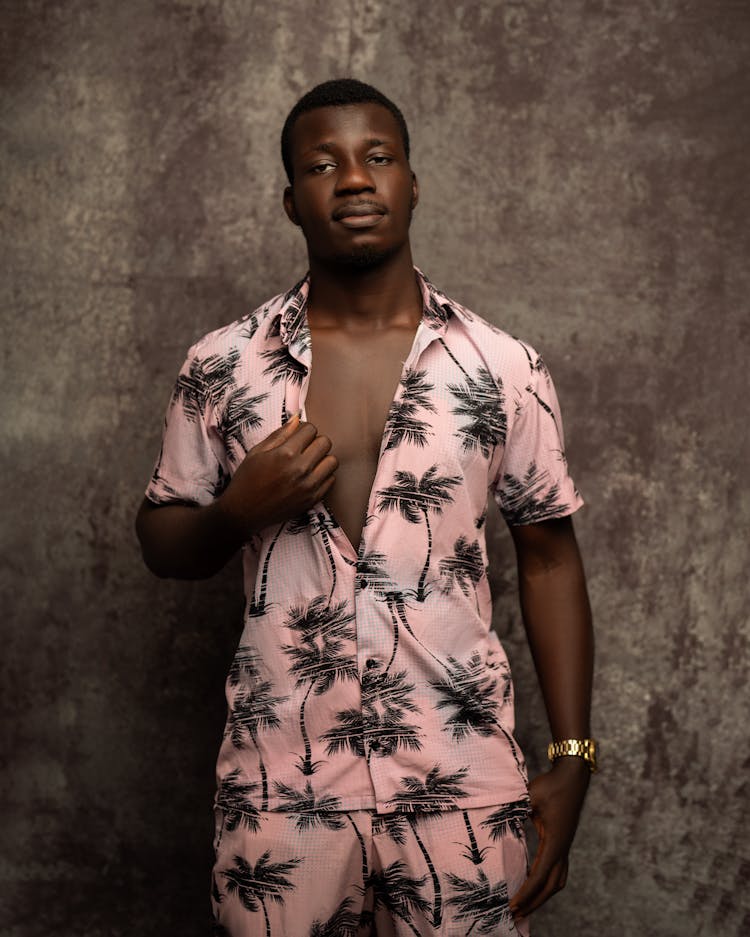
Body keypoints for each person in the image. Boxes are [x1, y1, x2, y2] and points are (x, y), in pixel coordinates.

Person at [136, 78, 595, 937]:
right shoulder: (223, 364)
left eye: (377, 157)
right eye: (323, 163)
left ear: (411, 182)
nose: (354, 179)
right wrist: (240, 509)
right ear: (290, 200)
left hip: (463, 784)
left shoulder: (503, 366)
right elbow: (161, 535)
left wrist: (574, 756)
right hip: (281, 789)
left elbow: (551, 556)